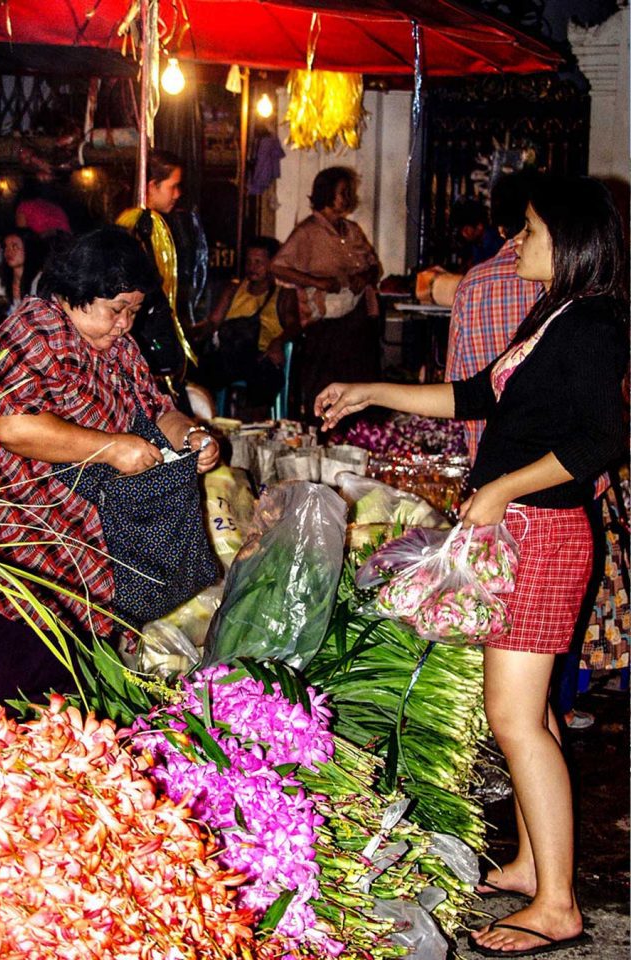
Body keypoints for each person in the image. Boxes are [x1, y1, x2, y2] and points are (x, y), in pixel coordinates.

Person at [315, 175, 627, 958]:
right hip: (520, 531)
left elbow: (600, 443)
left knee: (513, 719)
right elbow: (472, 397)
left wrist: (504, 490)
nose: (514, 243)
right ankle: (531, 864)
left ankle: (557, 904)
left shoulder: (592, 325)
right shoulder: (552, 314)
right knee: (534, 718)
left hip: (544, 534)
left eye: (529, 230)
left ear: (574, 241)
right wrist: (369, 391)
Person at [0, 227, 219, 705]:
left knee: (77, 678)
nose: (125, 325)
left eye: (133, 312)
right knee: (31, 677)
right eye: (117, 310)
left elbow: (158, 408)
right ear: (77, 292)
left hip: (85, 536)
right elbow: (12, 425)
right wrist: (112, 447)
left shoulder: (116, 348)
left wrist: (191, 436)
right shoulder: (34, 330)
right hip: (25, 532)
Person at [271, 166, 382, 420]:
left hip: (357, 317)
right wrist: (316, 281)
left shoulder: (351, 230)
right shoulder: (307, 232)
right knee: (326, 386)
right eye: (342, 192)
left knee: (360, 382)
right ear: (327, 193)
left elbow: (373, 265)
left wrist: (364, 277)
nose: (346, 197)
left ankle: (360, 435)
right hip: (325, 324)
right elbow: (278, 266)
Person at [445, 172, 541, 462]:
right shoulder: (562, 284)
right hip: (550, 466)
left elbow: (455, 382)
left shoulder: (476, 282)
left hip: (493, 455)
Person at [117, 150, 197, 410]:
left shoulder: (130, 225)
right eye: (173, 186)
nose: (177, 194)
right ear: (151, 185)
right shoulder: (144, 227)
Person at [196, 236, 294, 415]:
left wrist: (277, 343)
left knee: (265, 377)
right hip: (231, 355)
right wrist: (192, 336)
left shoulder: (283, 295)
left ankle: (250, 420)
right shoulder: (233, 289)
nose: (252, 267)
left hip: (261, 358)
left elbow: (294, 326)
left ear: (272, 263)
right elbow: (214, 322)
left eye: (259, 262)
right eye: (249, 261)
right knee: (197, 368)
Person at [0, 228, 46, 315]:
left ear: (29, 249)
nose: (9, 251)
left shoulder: (41, 282)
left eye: (15, 247)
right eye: (6, 247)